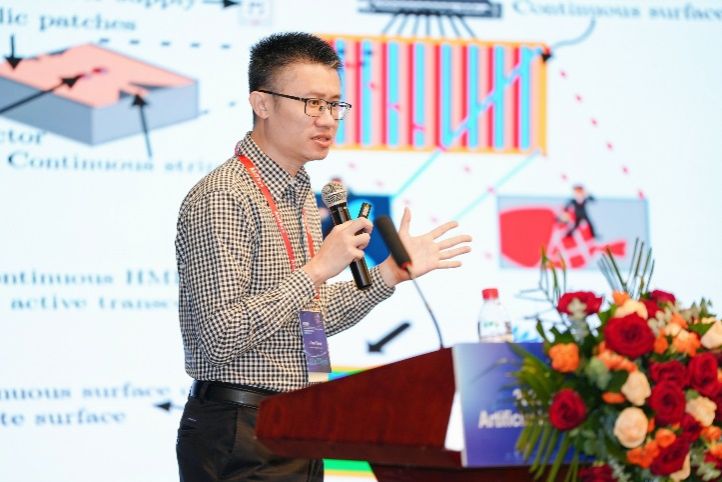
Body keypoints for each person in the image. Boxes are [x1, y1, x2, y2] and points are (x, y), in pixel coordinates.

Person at [174, 32, 471, 482]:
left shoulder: (299, 194)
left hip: (297, 424)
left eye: (335, 105)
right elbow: (221, 335)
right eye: (312, 103)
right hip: (239, 431)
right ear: (262, 103)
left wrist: (388, 274)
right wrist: (317, 269)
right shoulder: (225, 197)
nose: (328, 119)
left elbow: (307, 319)